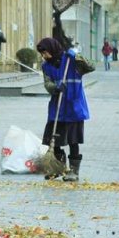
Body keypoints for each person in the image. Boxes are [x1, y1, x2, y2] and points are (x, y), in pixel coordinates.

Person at [36, 37, 90, 182]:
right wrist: (55, 87)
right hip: (57, 106)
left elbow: (90, 67)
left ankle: (73, 171)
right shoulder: (46, 66)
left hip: (73, 105)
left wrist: (77, 56)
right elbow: (47, 84)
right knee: (53, 138)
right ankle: (57, 168)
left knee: (73, 140)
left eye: (45, 52)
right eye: (42, 54)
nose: (44, 56)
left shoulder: (70, 60)